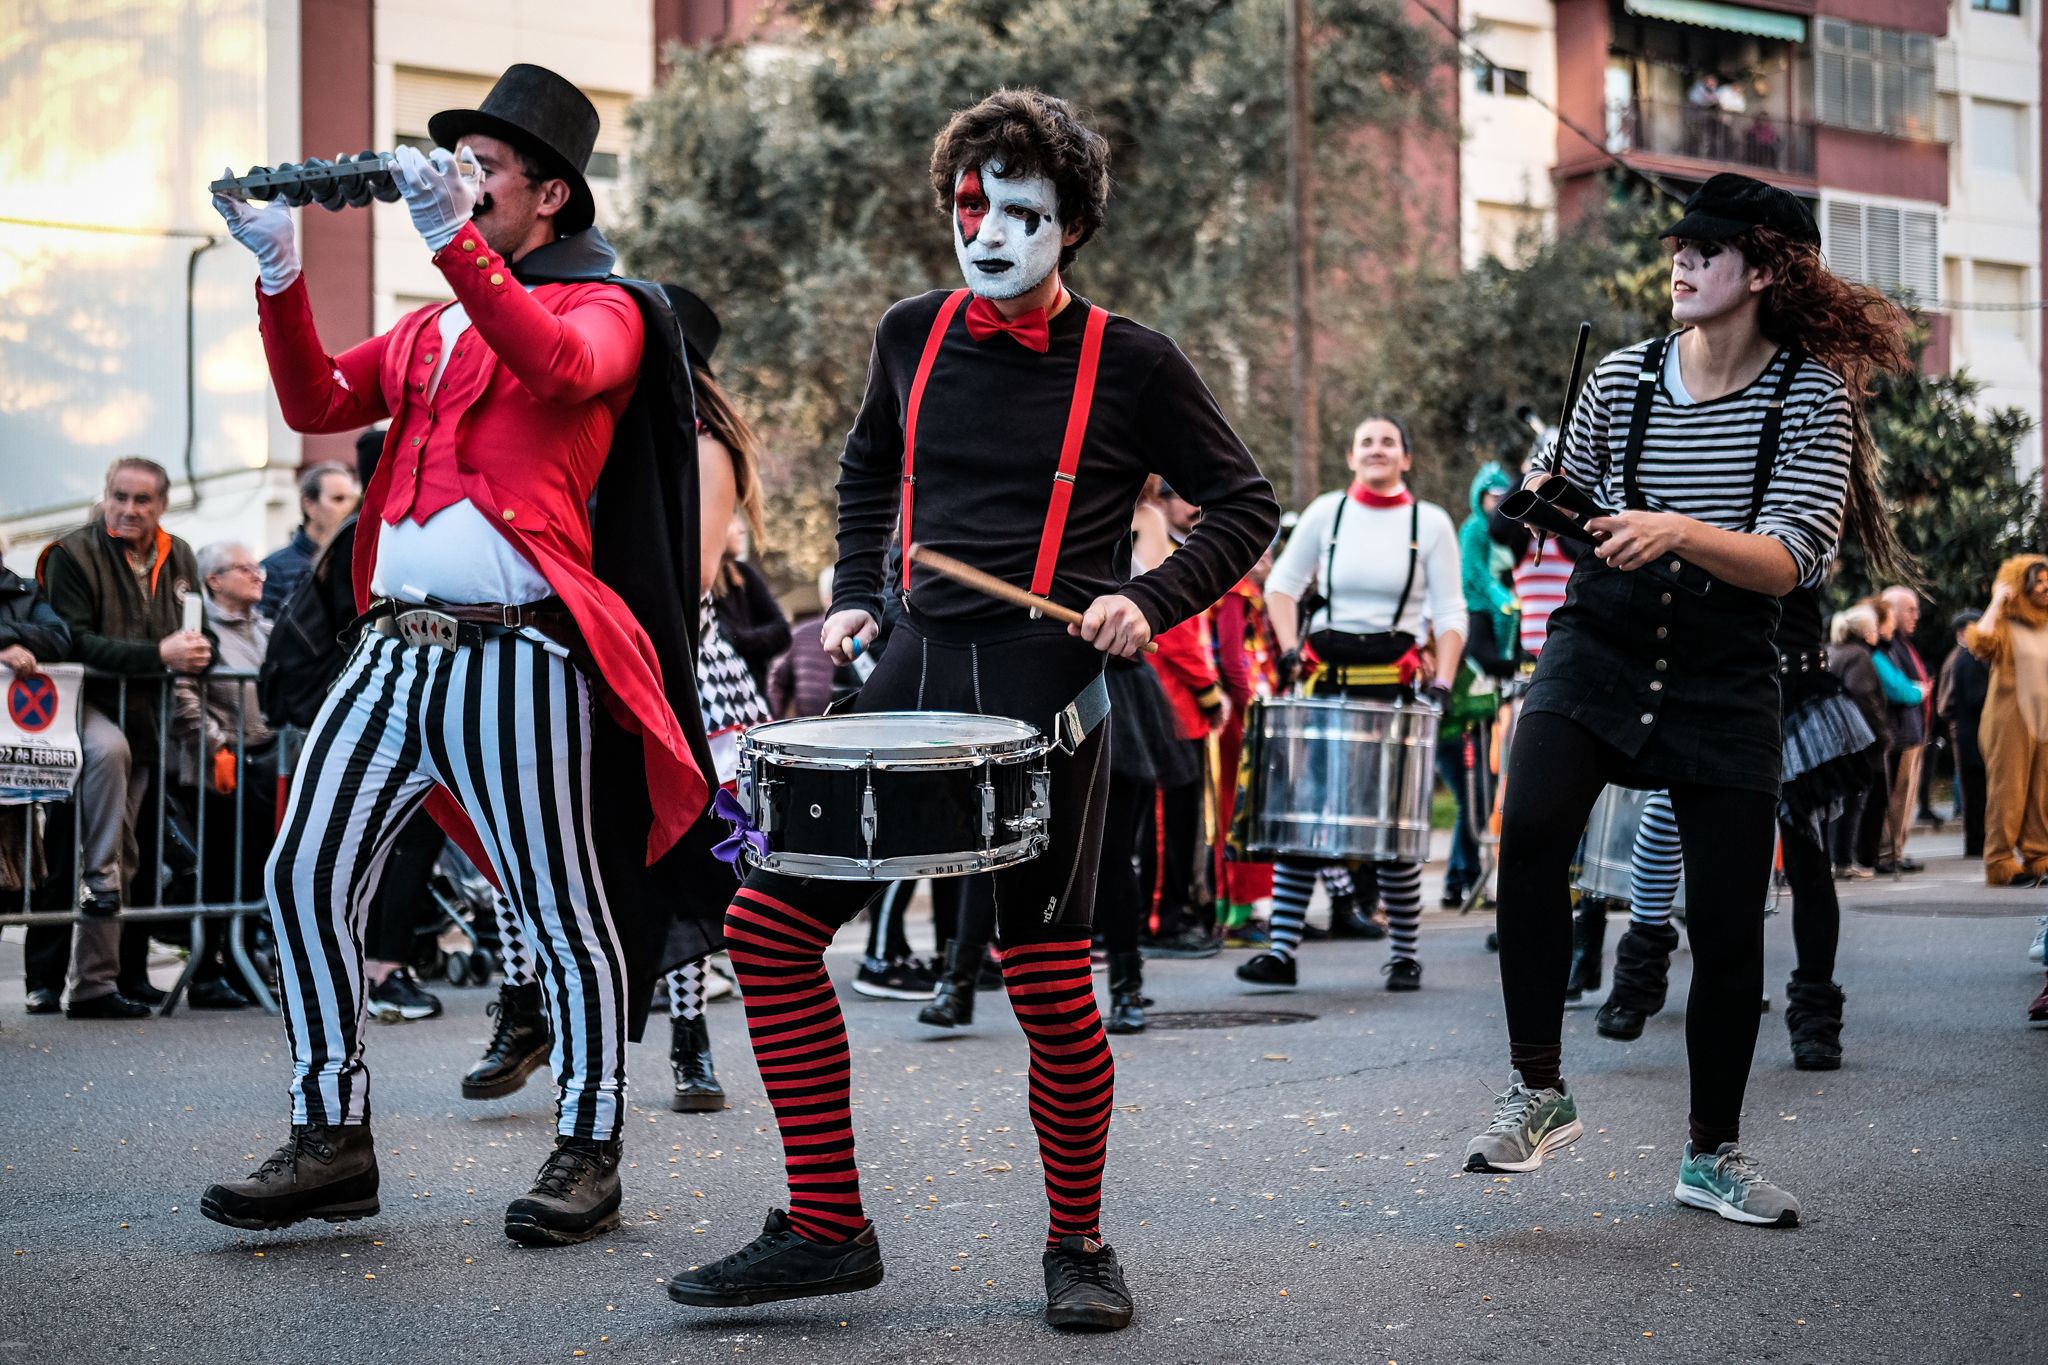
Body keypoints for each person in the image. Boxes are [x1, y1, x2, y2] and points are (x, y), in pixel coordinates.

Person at [666, 89, 1277, 1330]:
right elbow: (864, 464)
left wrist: (1149, 601)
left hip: (1046, 693)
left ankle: (1078, 1243)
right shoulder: (910, 332)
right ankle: (826, 1225)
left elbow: (1244, 505)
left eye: (1020, 212)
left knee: (1049, 984)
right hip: (910, 678)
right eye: (971, 204)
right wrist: (848, 595)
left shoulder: (1137, 360)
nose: (989, 232)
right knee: (769, 926)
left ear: (1070, 227)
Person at [201, 63, 715, 1245]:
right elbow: (316, 399)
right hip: (389, 651)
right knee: (299, 876)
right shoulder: (436, 320)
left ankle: (587, 1147)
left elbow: (559, 368)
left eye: (485, 168)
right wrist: (280, 274)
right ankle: (331, 1135)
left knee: (559, 906)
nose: (458, 181)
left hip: (517, 654)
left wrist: (449, 247)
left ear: (553, 197)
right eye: (457, 164)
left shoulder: (616, 309)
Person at [1463, 173, 1911, 1231]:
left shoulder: (1808, 397)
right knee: (1525, 834)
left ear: (1760, 271)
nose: (1677, 264)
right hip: (1601, 637)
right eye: (1677, 247)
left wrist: (1668, 527)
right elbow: (1566, 498)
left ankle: (1711, 1155)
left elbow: (1793, 558)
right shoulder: (1619, 377)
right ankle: (1537, 1091)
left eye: (1703, 251)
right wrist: (1532, 507)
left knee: (1724, 916)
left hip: (1724, 660)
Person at [1235, 415, 1465, 992]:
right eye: (1367, 441)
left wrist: (1445, 683)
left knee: (1393, 827)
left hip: (1393, 689)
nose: (1378, 450)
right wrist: (1289, 651)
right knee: (1303, 820)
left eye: (1389, 441)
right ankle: (1281, 953)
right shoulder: (1326, 512)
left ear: (1406, 458)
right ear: (1351, 455)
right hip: (1323, 686)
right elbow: (1281, 586)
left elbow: (1452, 611)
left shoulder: (1430, 522)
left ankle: (1405, 955)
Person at [38, 457, 215, 1019]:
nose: (128, 509)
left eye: (142, 501)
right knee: (95, 854)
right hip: (82, 712)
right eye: (119, 497)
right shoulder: (71, 554)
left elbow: (193, 632)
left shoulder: (180, 553)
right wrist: (158, 656)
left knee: (130, 853)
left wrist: (198, 652)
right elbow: (73, 644)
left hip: (147, 718)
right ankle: (73, 984)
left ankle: (111, 979)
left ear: (162, 505)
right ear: (105, 494)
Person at [168, 542, 277, 1009]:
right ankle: (207, 970)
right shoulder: (198, 630)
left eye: (259, 567)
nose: (258, 575)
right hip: (218, 766)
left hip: (263, 760)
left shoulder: (266, 629)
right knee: (219, 868)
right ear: (214, 580)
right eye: (245, 568)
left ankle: (240, 962)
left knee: (254, 867)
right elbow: (183, 695)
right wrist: (217, 745)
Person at [3, 531, 74, 1014]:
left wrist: (9, 639)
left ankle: (43, 981)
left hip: (12, 755)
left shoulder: (25, 592)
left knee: (12, 876)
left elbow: (59, 637)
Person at [1964, 555, 2048, 886]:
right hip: (2009, 722)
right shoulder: (2007, 624)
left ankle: (2039, 856)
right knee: (2007, 791)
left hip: (2043, 721)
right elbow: (1979, 642)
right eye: (2037, 580)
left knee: (2042, 792)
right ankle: (1999, 860)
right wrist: (1999, 599)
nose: (2044, 586)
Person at [1826, 604, 1891, 878]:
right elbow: (1862, 696)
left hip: (1832, 737)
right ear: (1866, 633)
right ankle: (1842, 861)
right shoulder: (1860, 656)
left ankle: (1835, 859)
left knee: (1836, 800)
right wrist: (1880, 733)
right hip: (1855, 740)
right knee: (1853, 801)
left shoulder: (1833, 651)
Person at [259, 463, 361, 618]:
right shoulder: (274, 569)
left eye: (352, 500)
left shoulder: (355, 562)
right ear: (309, 505)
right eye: (338, 499)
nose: (349, 508)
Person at [1877, 586, 1932, 874]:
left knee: (1904, 797)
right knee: (1896, 798)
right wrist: (1919, 691)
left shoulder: (1901, 644)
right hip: (1900, 733)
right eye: (1910, 609)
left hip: (1911, 731)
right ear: (1892, 612)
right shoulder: (1888, 647)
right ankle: (1888, 853)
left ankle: (1895, 851)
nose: (1916, 616)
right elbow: (1900, 689)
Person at [710, 522, 791, 700]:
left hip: (754, 695)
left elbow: (782, 631)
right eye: (732, 520)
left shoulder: (744, 573)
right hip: (719, 696)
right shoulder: (694, 584)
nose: (741, 528)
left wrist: (738, 639)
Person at [1937, 609, 1990, 859]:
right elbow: (1969, 698)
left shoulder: (1968, 658)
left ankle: (1977, 841)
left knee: (1975, 789)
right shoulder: (1967, 659)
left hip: (1969, 731)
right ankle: (1977, 842)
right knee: (1975, 790)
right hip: (1970, 732)